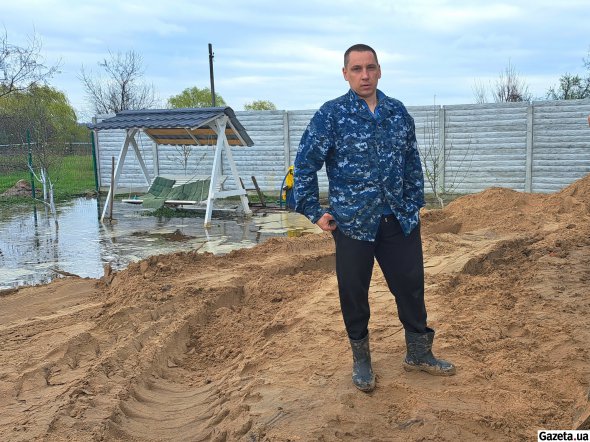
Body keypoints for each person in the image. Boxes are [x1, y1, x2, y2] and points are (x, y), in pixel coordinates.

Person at [294, 44, 456, 393]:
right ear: (345, 74)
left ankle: (419, 353)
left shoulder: (397, 113)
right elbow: (305, 163)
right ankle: (362, 359)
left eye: (370, 67)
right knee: (354, 293)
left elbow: (412, 162)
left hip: (398, 220)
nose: (364, 75)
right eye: (356, 69)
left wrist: (413, 203)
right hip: (352, 223)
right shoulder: (331, 115)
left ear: (379, 70)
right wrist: (313, 211)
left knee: (410, 287)